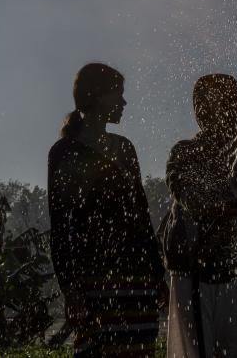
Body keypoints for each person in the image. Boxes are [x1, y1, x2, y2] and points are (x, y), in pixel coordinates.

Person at [48, 63, 167, 357]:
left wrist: (157, 273)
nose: (124, 103)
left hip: (136, 278)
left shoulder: (125, 147)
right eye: (119, 95)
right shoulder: (64, 151)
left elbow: (141, 214)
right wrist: (71, 288)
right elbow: (61, 224)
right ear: (98, 96)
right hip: (93, 280)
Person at [163, 74, 237, 358]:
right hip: (193, 272)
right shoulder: (185, 151)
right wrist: (218, 208)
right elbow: (182, 190)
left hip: (236, 270)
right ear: (202, 112)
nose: (236, 111)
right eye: (229, 104)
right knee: (197, 351)